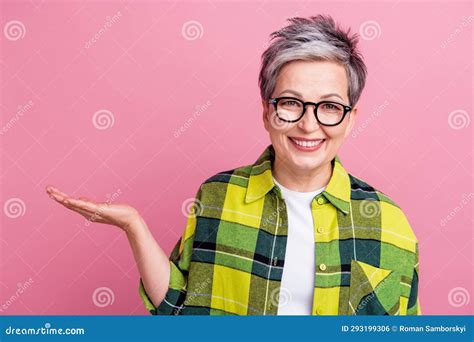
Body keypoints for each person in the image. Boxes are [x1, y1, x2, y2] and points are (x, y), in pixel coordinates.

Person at [46, 15, 420, 315]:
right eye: (290, 103)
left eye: (329, 107)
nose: (309, 124)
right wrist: (133, 226)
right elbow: (179, 310)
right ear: (266, 111)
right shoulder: (218, 196)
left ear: (351, 118)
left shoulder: (389, 221)